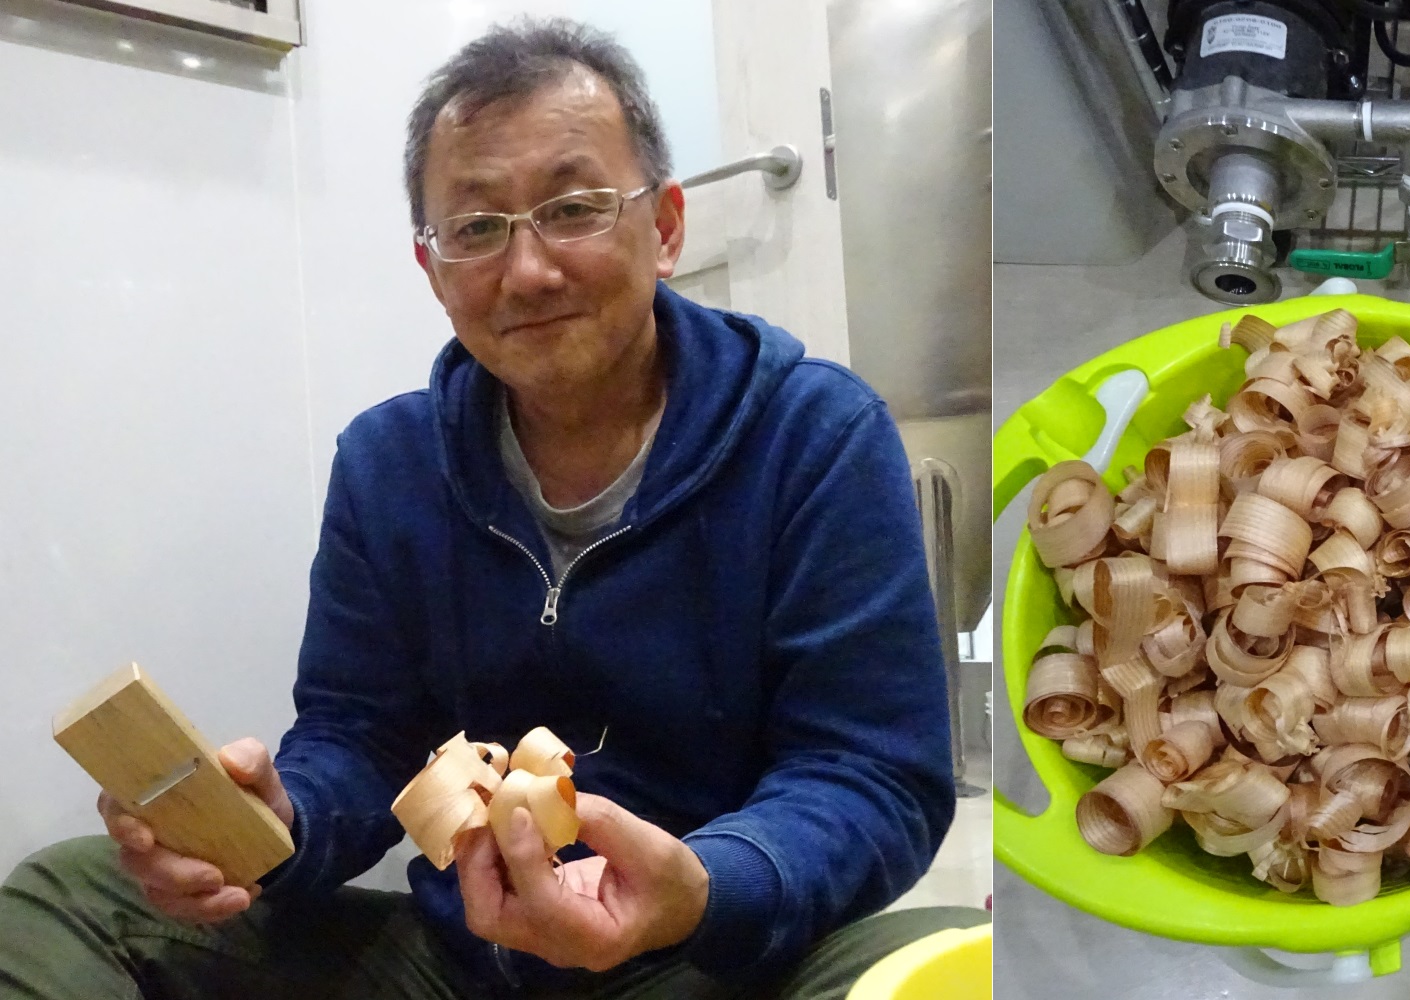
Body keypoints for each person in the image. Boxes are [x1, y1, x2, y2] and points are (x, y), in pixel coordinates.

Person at [0, 18, 979, 999]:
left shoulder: (815, 437)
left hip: (712, 961)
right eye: (475, 229)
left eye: (574, 208)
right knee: (71, 894)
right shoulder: (389, 463)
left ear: (667, 227)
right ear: (431, 269)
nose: (528, 271)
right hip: (462, 967)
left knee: (953, 956)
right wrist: (279, 820)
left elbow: (870, 775)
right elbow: (360, 736)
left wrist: (704, 886)